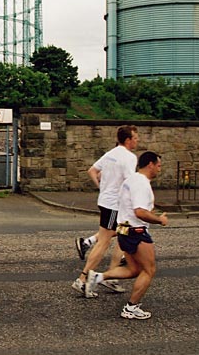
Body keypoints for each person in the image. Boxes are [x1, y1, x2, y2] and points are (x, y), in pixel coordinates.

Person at [85, 151, 168, 319]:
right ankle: (131, 307)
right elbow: (140, 212)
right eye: (158, 165)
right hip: (136, 232)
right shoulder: (141, 184)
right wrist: (160, 219)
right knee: (149, 270)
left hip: (123, 230)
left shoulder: (130, 180)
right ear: (150, 164)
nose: (159, 169)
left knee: (134, 269)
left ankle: (98, 277)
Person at [72, 125, 139, 298]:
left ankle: (112, 276)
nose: (137, 141)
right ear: (128, 140)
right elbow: (131, 182)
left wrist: (101, 187)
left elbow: (92, 171)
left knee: (123, 236)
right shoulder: (129, 158)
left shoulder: (110, 154)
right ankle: (82, 279)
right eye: (135, 138)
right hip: (114, 205)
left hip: (111, 203)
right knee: (104, 241)